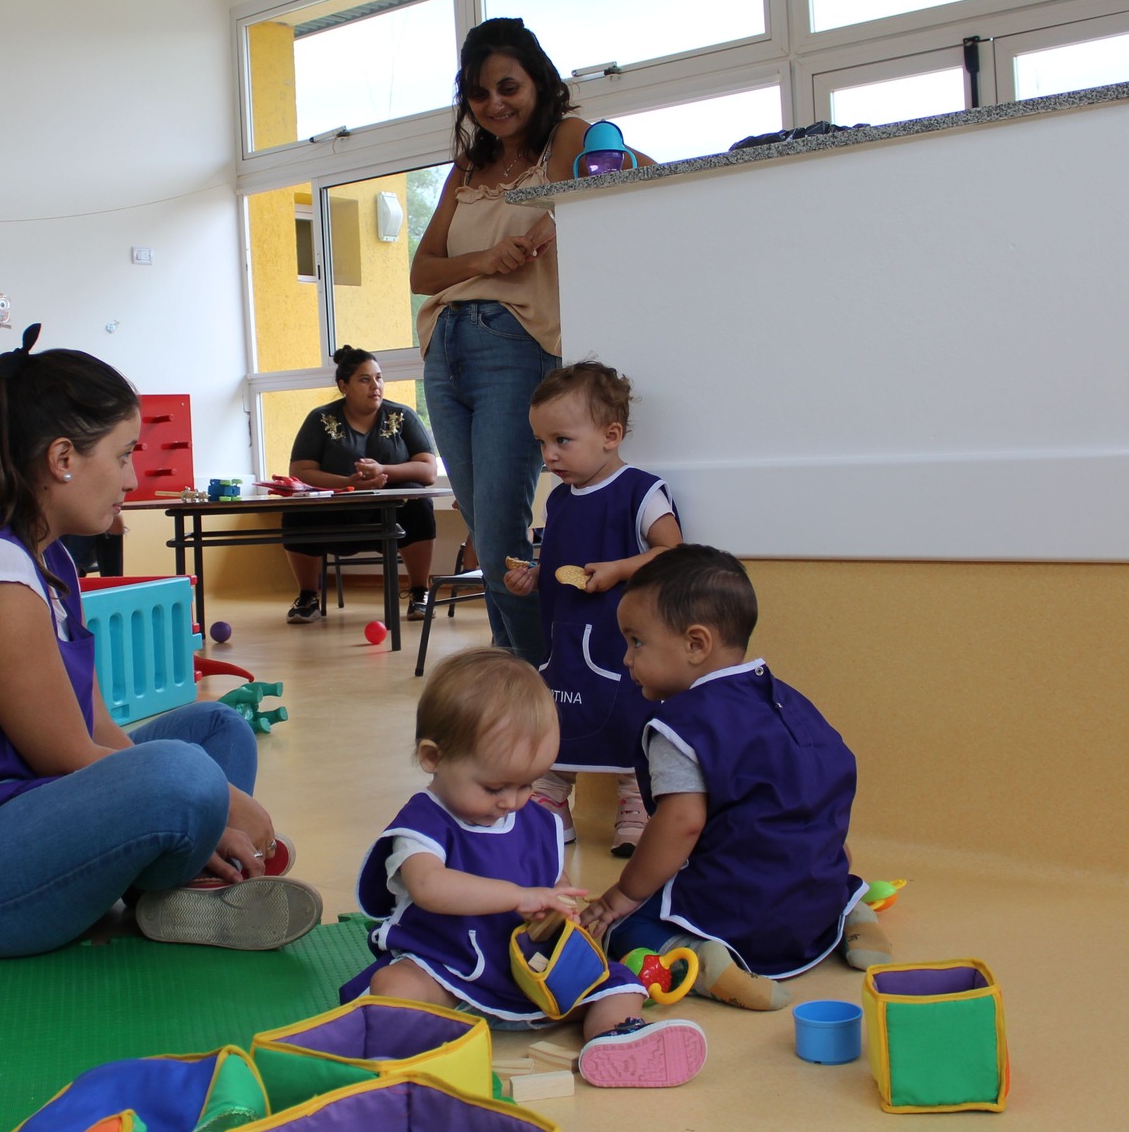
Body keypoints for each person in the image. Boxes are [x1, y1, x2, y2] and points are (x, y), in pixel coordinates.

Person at [0, 324, 321, 968]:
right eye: (122, 455)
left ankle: (176, 890)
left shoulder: (47, 559)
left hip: (15, 816)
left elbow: (93, 726)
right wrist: (224, 806)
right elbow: (66, 756)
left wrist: (208, 810)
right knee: (185, 774)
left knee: (215, 730)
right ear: (62, 459)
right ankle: (180, 878)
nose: (134, 475)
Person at [347, 648, 706, 1088]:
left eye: (528, 784)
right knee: (396, 985)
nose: (512, 801)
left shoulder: (537, 820)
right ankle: (415, 1050)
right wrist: (519, 897)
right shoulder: (424, 821)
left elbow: (552, 878)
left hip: (529, 971)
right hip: (446, 962)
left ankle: (615, 1040)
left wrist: (562, 905)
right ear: (433, 758)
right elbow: (429, 887)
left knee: (623, 984)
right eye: (495, 787)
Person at [581, 546, 894, 1012]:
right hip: (816, 894)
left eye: (636, 641)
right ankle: (852, 913)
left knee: (624, 929)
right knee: (833, 875)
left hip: (742, 915)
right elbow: (826, 789)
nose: (627, 658)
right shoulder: (791, 703)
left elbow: (682, 822)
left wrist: (623, 895)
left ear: (695, 643)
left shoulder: (681, 726)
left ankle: (703, 964)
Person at [411, 18, 591, 662]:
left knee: (501, 530)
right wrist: (487, 256)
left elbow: (614, 182)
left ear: (539, 82)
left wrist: (551, 220)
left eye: (507, 86)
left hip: (516, 343)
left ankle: (549, 688)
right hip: (446, 348)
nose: (494, 105)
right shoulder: (471, 164)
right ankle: (520, 688)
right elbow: (420, 271)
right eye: (479, 95)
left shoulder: (569, 137)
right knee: (487, 533)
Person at [503, 362, 680, 858]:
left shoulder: (639, 492)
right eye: (542, 444)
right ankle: (552, 802)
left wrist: (621, 569)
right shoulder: (558, 501)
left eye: (561, 440)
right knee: (560, 713)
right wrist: (533, 577)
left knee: (628, 715)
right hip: (564, 637)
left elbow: (673, 553)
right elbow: (559, 563)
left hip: (619, 639)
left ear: (610, 434)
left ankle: (636, 803)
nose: (549, 455)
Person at [280, 345, 439, 624]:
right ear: (344, 386)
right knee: (296, 511)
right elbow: (300, 471)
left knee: (419, 504)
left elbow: (428, 471)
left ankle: (419, 593)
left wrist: (383, 470)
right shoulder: (320, 419)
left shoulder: (402, 417)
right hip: (337, 515)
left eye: (378, 378)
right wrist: (347, 484)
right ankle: (307, 597)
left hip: (391, 516)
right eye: (365, 379)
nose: (375, 386)